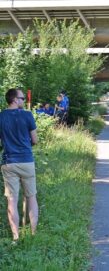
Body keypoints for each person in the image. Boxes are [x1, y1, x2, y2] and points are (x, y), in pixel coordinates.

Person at [0, 88, 39, 242]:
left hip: (9, 162)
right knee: (31, 197)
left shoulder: (1, 117)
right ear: (15, 99)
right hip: (26, 161)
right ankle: (33, 234)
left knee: (12, 200)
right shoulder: (27, 115)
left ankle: (16, 238)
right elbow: (35, 140)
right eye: (22, 98)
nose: (24, 100)